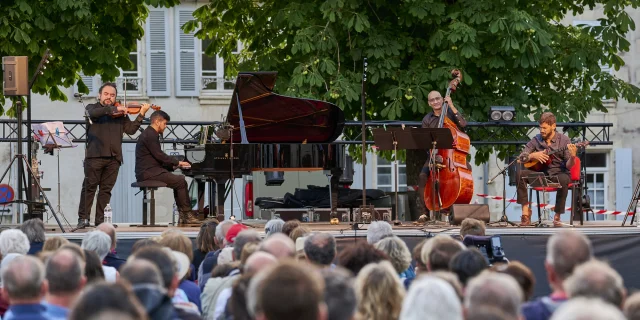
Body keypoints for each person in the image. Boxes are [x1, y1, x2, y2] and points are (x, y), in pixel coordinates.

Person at [77, 83, 151, 228]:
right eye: (106, 94)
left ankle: (101, 221)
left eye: (112, 95)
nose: (109, 97)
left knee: (106, 190)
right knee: (89, 188)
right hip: (95, 156)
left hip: (114, 158)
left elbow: (130, 130)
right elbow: (93, 114)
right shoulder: (92, 108)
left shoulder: (120, 115)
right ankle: (83, 219)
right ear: (99, 95)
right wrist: (114, 108)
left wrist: (141, 114)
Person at [135, 110, 199, 224]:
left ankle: (184, 215)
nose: (165, 127)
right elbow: (159, 155)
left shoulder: (150, 134)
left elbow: (155, 158)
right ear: (157, 121)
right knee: (180, 181)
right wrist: (178, 163)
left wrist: (173, 167)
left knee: (179, 182)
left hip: (150, 171)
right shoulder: (150, 135)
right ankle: (187, 215)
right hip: (148, 173)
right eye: (164, 123)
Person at [517, 112, 577, 226]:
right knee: (521, 174)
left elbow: (569, 166)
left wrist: (573, 157)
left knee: (564, 179)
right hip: (540, 174)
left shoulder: (564, 140)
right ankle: (525, 213)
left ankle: (557, 216)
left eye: (544, 128)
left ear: (553, 126)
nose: (542, 130)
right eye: (540, 128)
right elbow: (521, 158)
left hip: (558, 174)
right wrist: (532, 156)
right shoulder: (536, 139)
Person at [417, 91, 468, 218]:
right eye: (432, 100)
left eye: (437, 99)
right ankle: (424, 213)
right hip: (434, 154)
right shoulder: (427, 119)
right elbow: (425, 142)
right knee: (423, 176)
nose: (435, 102)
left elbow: (463, 125)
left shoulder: (451, 113)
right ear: (429, 103)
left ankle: (458, 210)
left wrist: (451, 105)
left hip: (453, 156)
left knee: (466, 173)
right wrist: (433, 155)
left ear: (442, 99)